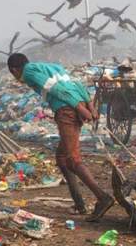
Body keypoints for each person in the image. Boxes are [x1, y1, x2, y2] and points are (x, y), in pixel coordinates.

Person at [7, 53, 114, 221]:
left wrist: (80, 108)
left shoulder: (28, 73)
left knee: (72, 159)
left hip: (67, 110)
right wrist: (90, 105)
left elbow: (57, 90)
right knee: (62, 158)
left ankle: (103, 198)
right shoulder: (52, 67)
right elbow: (76, 85)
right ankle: (79, 204)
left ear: (14, 70)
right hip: (76, 105)